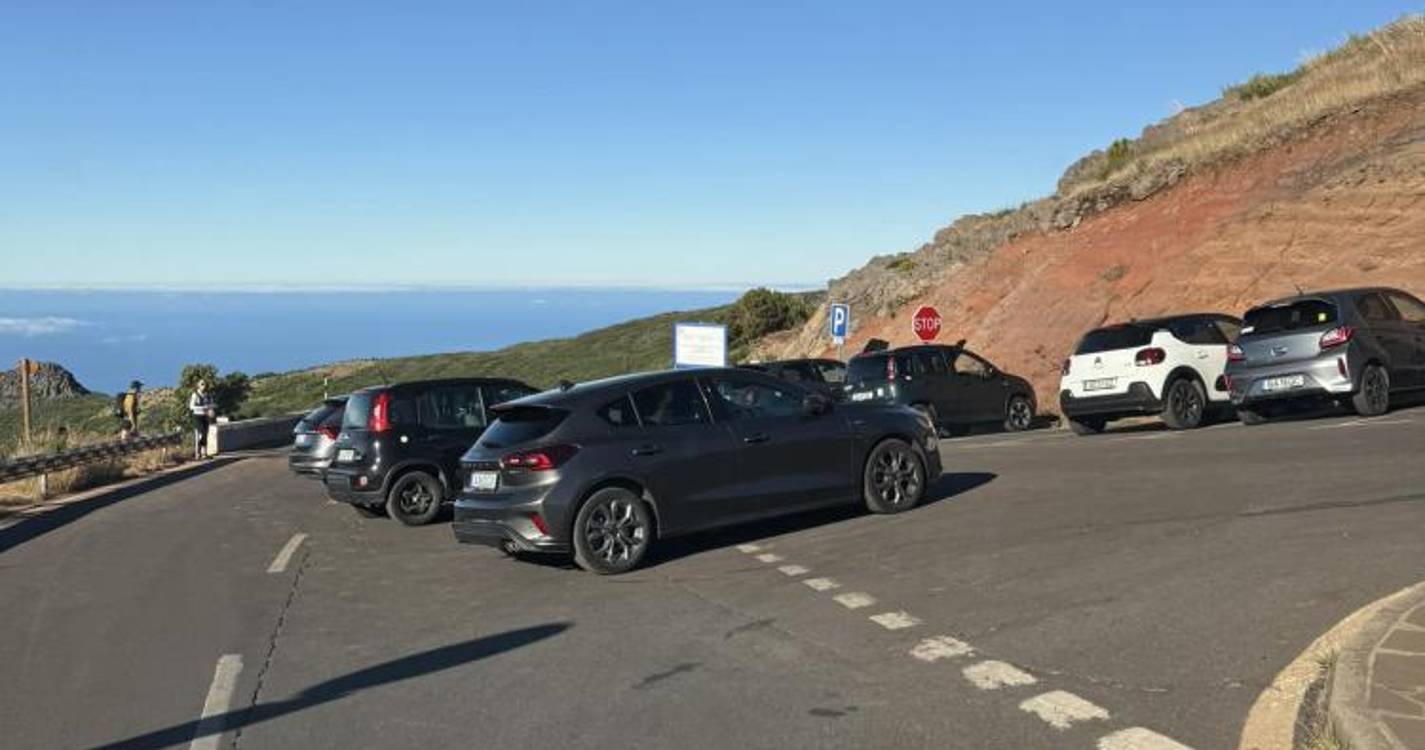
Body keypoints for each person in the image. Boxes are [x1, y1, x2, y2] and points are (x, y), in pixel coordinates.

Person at [189, 380, 215, 459]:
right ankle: (198, 453)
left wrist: (210, 409)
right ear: (198, 385)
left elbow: (211, 404)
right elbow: (191, 407)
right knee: (200, 434)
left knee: (205, 434)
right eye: (202, 384)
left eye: (205, 384)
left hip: (205, 416)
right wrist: (203, 408)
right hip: (197, 416)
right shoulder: (195, 395)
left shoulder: (207, 395)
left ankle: (204, 453)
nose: (204, 386)